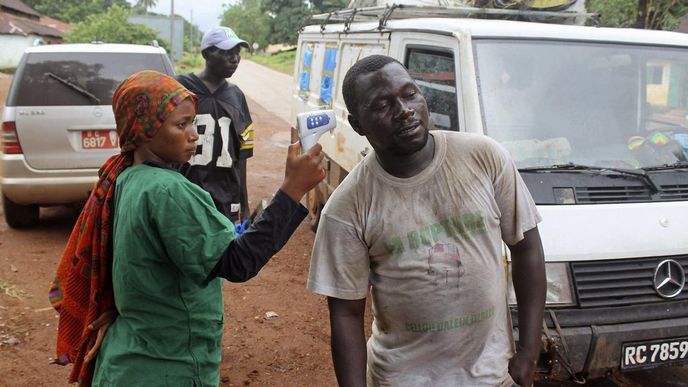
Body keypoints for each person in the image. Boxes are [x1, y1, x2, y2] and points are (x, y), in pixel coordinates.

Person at [49, 71, 325, 386]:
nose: (194, 134)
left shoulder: (124, 177)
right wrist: (293, 189)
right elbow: (238, 262)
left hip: (128, 359)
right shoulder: (168, 191)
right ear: (145, 130)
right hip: (168, 367)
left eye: (193, 122)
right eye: (181, 125)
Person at [307, 55, 546, 387]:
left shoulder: (484, 157)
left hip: (494, 375)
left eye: (409, 94)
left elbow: (527, 248)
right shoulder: (347, 208)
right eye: (382, 105)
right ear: (358, 124)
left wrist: (528, 353)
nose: (404, 109)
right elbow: (346, 315)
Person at [176, 26, 253, 223]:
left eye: (237, 52)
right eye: (227, 52)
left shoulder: (236, 97)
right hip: (185, 194)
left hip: (225, 200)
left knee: (223, 251)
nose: (234, 58)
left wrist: (244, 204)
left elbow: (242, 155)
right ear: (207, 54)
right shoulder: (180, 89)